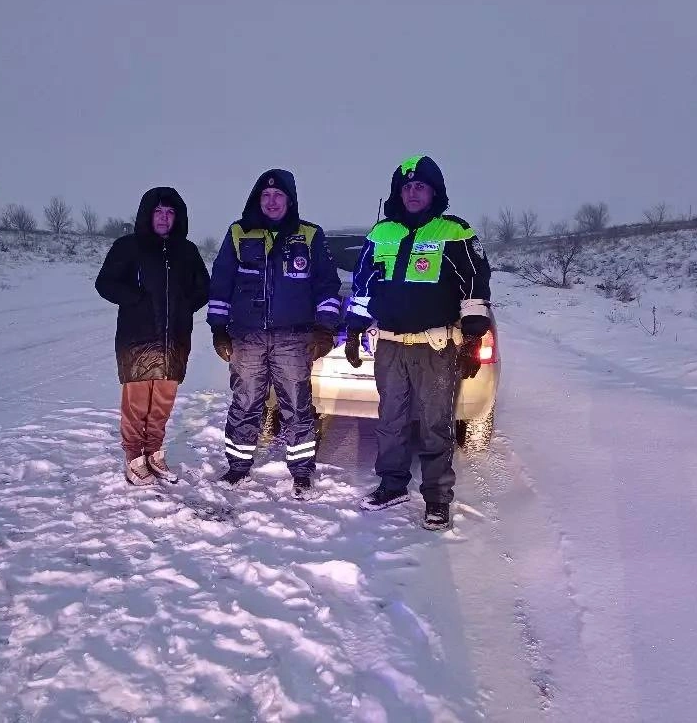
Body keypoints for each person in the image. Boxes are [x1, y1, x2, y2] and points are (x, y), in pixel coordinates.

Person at [344, 155, 491, 530]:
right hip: (390, 345)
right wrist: (355, 328)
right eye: (406, 187)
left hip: (435, 348)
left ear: (434, 192)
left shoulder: (455, 232)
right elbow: (362, 284)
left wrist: (473, 339)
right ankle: (392, 485)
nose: (412, 193)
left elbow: (475, 286)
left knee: (435, 424)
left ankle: (437, 498)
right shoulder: (381, 233)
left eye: (420, 186)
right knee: (390, 420)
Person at [207, 169, 341, 499]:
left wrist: (325, 328)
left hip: (294, 337)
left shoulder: (309, 235)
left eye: (278, 195)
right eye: (265, 195)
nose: (271, 201)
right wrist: (218, 328)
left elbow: (326, 286)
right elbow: (221, 282)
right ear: (257, 199)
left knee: (297, 404)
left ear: (290, 200)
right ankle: (238, 466)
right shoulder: (239, 232)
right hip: (247, 336)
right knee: (245, 401)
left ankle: (302, 471)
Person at [95, 187, 210, 486]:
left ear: (178, 217)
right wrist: (135, 298)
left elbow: (203, 287)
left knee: (162, 402)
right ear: (148, 214)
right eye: (158, 211)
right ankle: (134, 456)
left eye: (170, 212)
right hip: (137, 339)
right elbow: (105, 283)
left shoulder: (187, 251)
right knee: (136, 404)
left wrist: (184, 305)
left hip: (175, 340)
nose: (163, 217)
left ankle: (154, 452)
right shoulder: (128, 247)